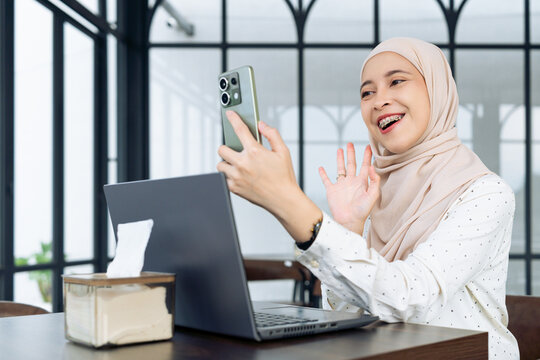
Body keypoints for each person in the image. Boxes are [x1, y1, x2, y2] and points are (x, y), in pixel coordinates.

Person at [217, 37, 519, 359]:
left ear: (437, 88)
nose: (379, 101)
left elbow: (409, 299)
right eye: (367, 92)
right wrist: (349, 227)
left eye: (397, 81)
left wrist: (289, 203)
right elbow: (347, 310)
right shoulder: (374, 192)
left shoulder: (485, 193)